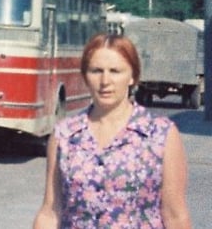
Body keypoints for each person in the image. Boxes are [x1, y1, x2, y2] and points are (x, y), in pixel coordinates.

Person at [33, 33, 190, 229]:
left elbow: (175, 216)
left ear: (132, 76)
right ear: (85, 76)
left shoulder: (160, 134)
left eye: (115, 71)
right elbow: (50, 211)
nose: (105, 80)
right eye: (96, 71)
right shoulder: (64, 135)